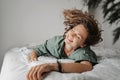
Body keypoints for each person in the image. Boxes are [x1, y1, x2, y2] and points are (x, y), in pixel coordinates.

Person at [27, 9, 102, 80]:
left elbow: (86, 67)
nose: (72, 35)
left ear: (83, 44)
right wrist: (34, 60)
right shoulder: (54, 43)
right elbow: (37, 50)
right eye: (73, 30)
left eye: (78, 36)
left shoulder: (84, 52)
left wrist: (52, 66)